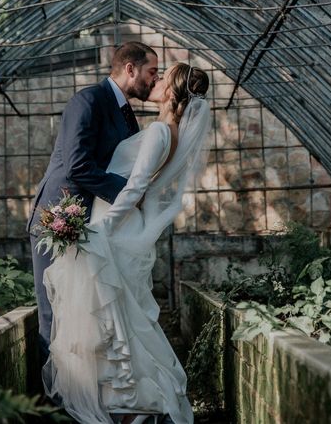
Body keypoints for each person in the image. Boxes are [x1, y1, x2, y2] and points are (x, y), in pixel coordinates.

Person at [43, 62, 212, 424]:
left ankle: (131, 403)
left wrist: (103, 230)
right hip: (121, 226)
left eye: (162, 77)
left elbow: (135, 187)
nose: (156, 80)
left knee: (113, 317)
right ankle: (124, 401)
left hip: (114, 228)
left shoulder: (159, 133)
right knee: (118, 316)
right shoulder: (170, 134)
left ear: (171, 91)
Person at [27, 41, 160, 358]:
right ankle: (53, 400)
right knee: (54, 311)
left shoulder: (128, 116)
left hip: (95, 226)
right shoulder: (87, 101)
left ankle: (80, 393)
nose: (155, 80)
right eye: (152, 72)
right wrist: (129, 194)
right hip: (60, 219)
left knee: (83, 315)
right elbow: (78, 165)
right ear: (130, 69)